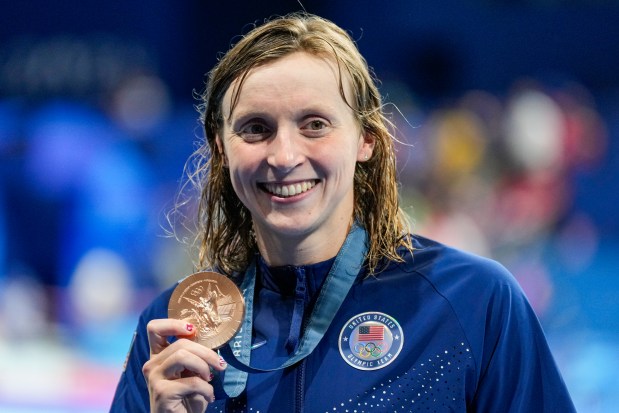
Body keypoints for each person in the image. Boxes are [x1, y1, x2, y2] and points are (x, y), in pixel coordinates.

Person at [110, 12, 576, 413]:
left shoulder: (472, 302)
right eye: (256, 129)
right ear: (222, 148)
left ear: (366, 140)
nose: (284, 155)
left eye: (315, 124)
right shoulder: (175, 330)